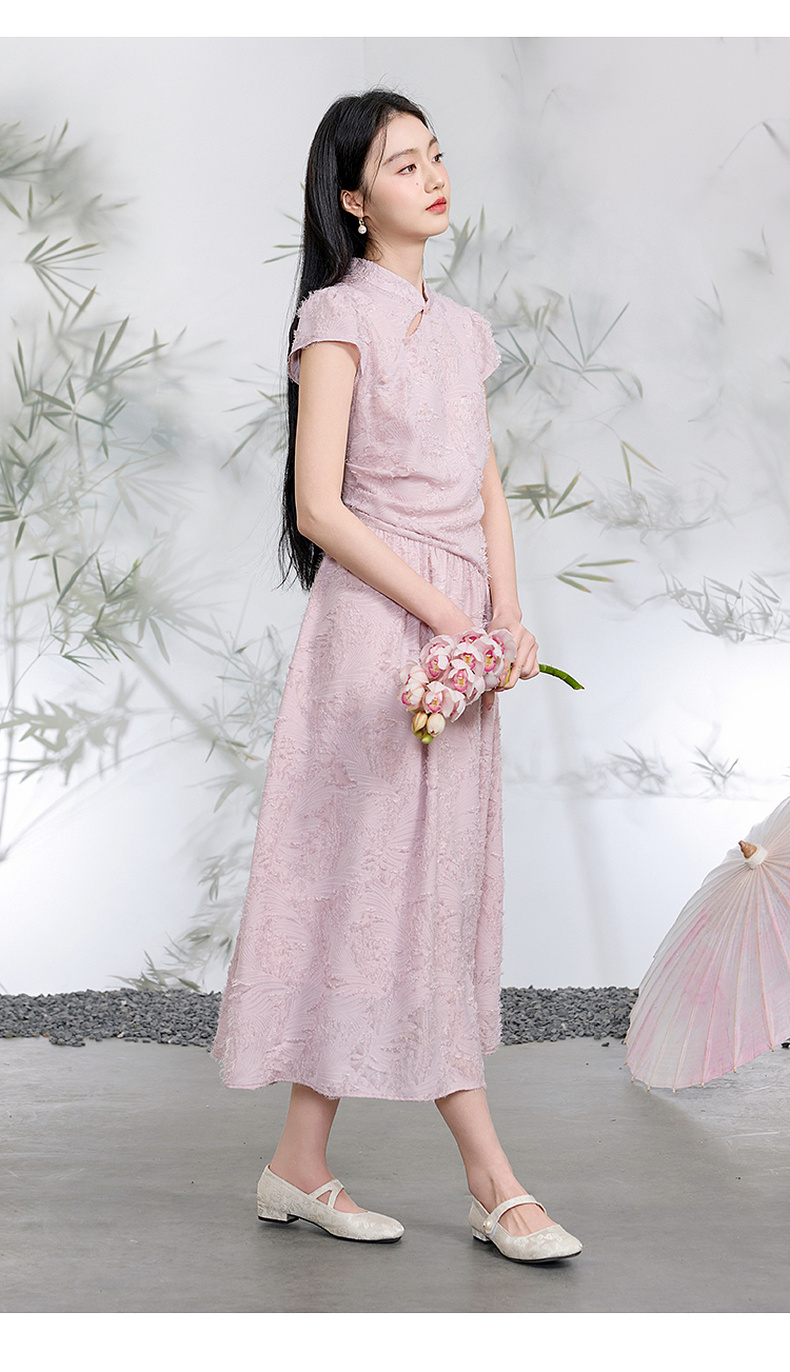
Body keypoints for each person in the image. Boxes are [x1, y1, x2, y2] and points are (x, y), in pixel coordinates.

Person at [211, 87, 582, 1264]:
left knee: (417, 889)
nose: (431, 175)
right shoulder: (334, 316)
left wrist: (505, 618)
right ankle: (491, 1178)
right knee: (383, 888)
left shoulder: (465, 330)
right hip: (375, 634)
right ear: (353, 199)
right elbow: (320, 508)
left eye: (435, 155)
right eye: (402, 162)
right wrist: (447, 617)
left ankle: (297, 1161)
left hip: (455, 636)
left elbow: (484, 490)